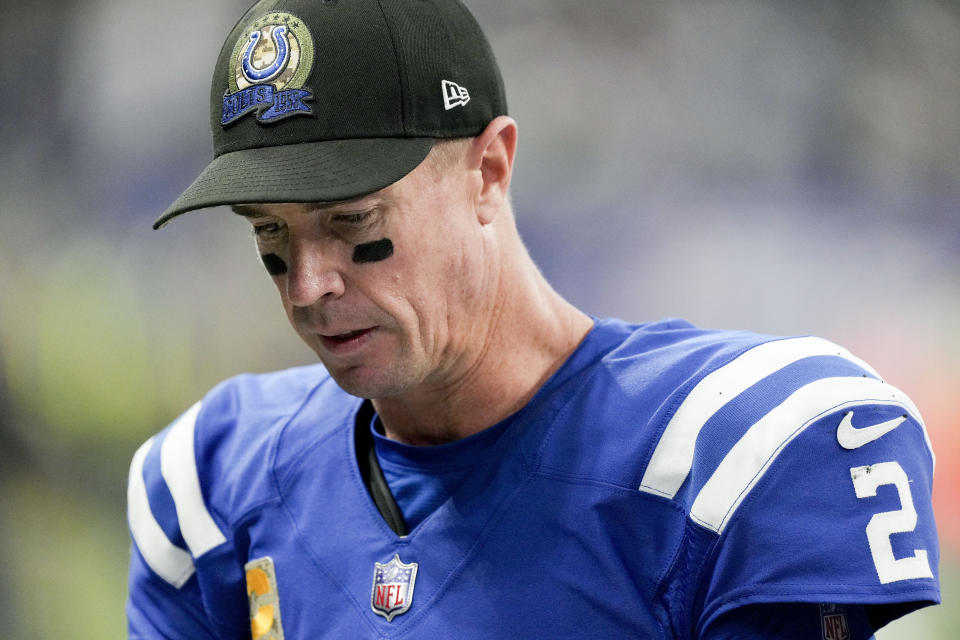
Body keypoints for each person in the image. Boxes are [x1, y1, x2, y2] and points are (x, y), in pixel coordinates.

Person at [127, 0, 940, 637]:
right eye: (270, 234)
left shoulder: (731, 452)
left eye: (355, 227)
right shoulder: (216, 482)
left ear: (490, 168)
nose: (307, 287)